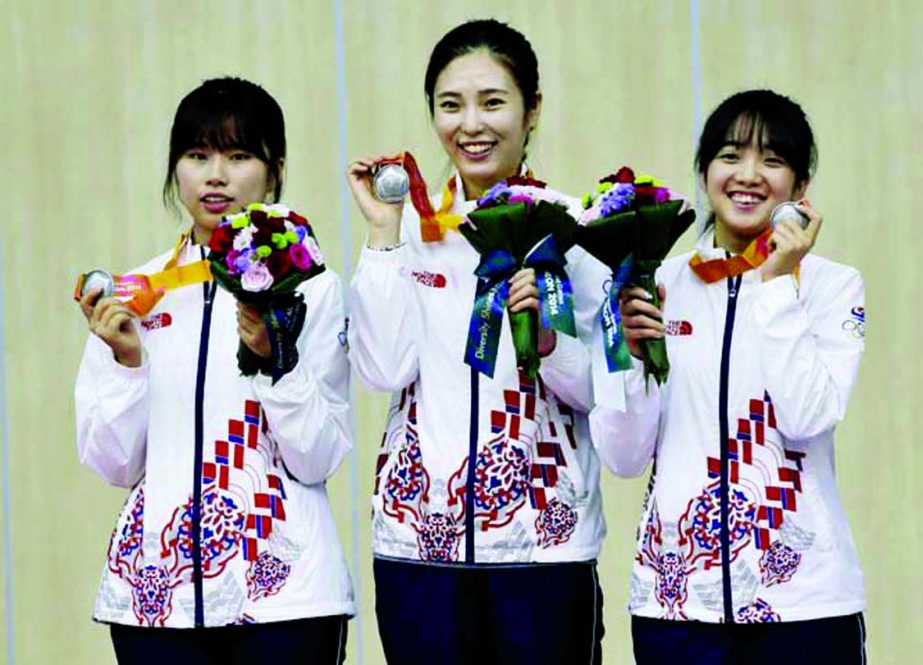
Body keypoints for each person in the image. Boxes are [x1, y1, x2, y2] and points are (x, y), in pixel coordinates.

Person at [347, 19, 607, 665]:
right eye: (450, 105)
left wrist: (549, 340)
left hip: (542, 544)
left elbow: (604, 391)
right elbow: (381, 369)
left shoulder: (575, 229)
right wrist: (383, 235)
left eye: (492, 102)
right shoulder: (409, 227)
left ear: (532, 109)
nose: (472, 124)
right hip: (417, 546)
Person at [75, 77, 353, 663]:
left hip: (286, 598)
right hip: (156, 601)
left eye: (238, 155)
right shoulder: (139, 293)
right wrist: (127, 364)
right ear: (176, 169)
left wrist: (275, 360)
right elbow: (113, 463)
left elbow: (318, 455)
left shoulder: (309, 286)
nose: (215, 175)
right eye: (197, 155)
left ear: (274, 170)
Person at [590, 89, 866, 663]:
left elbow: (806, 416)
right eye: (730, 155)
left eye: (772, 160)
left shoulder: (832, 286)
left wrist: (779, 283)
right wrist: (632, 361)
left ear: (801, 186)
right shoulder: (656, 284)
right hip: (676, 606)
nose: (748, 175)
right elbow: (622, 456)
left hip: (802, 603)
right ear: (705, 171)